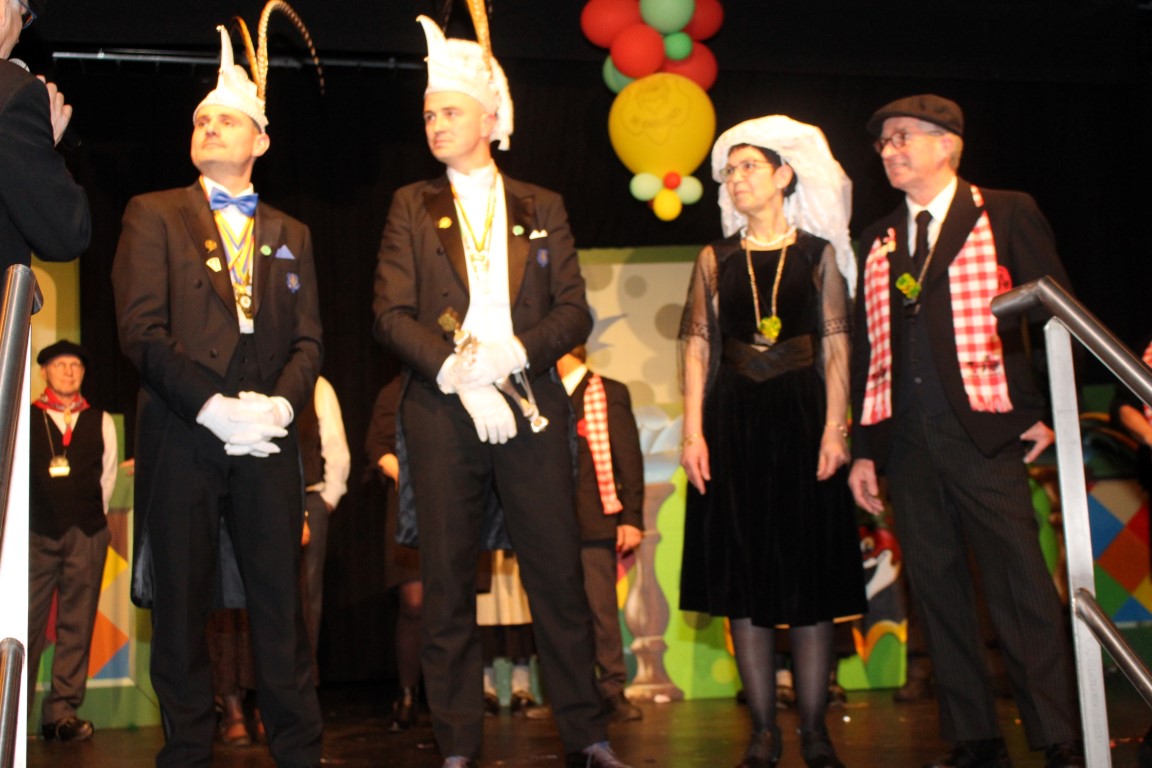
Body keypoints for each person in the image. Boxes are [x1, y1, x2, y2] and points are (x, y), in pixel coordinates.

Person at [372, 9, 626, 768]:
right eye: (428, 115)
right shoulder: (410, 204)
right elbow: (389, 312)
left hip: (532, 405)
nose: (435, 125)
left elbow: (574, 310)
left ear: (488, 119)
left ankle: (589, 735)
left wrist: (516, 350)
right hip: (441, 410)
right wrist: (454, 368)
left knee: (558, 576)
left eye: (449, 112)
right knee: (447, 583)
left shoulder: (541, 205)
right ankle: (457, 744)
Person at [847, 93, 1084, 768]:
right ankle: (974, 739)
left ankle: (1059, 735)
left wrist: (1044, 410)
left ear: (948, 144)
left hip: (986, 430)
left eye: (903, 137)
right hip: (906, 439)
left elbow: (1056, 313)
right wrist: (864, 450)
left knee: (1020, 585)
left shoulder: (1004, 211)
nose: (889, 150)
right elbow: (867, 347)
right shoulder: (880, 238)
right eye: (884, 141)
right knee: (937, 591)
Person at [111, 17, 323, 768]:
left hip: (268, 441)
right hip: (183, 433)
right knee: (180, 611)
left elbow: (309, 342)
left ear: (260, 139)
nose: (207, 127)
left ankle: (299, 751)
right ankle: (187, 754)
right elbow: (141, 331)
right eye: (201, 119)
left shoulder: (292, 231)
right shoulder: (153, 213)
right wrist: (212, 407)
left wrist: (280, 406)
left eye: (225, 119)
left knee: (281, 608)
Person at [678, 115, 867, 768]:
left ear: (784, 175)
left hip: (803, 420)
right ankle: (763, 732)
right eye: (728, 171)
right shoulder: (715, 258)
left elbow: (837, 344)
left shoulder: (818, 254)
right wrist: (692, 431)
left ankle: (814, 731)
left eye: (748, 167)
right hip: (732, 422)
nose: (735, 179)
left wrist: (836, 428)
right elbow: (698, 345)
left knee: (808, 577)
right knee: (744, 579)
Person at [27, 340, 116, 742]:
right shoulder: (27, 417)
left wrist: (90, 521)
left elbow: (106, 479)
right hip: (35, 533)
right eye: (60, 365)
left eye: (75, 366)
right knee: (25, 624)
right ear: (44, 371)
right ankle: (11, 713)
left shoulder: (100, 420)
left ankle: (61, 713)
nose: (68, 371)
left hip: (87, 533)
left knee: (77, 625)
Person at [554, 345, 644, 723]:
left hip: (594, 519)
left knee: (600, 610)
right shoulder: (540, 396)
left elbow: (628, 457)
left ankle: (611, 689)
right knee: (558, 613)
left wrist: (631, 517)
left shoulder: (608, 391)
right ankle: (568, 695)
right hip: (551, 523)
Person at [0, 0, 90, 269]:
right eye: (23, 17)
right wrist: (41, 143)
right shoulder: (12, 89)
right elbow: (67, 234)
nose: (18, 38)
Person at [365, 375, 424, 731]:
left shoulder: (460, 382)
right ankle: (407, 693)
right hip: (408, 506)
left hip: (454, 504)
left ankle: (452, 695)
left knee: (452, 603)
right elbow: (378, 446)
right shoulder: (394, 390)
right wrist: (409, 477)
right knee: (413, 603)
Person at [297, 374, 351, 663]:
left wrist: (329, 496)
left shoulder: (317, 386)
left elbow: (335, 445)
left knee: (309, 590)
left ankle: (306, 674)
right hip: (267, 502)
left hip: (310, 498)